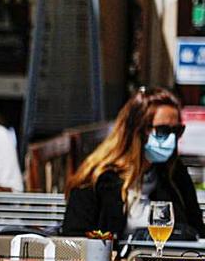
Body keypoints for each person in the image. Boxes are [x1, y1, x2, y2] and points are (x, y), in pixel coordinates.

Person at [62, 87, 205, 241]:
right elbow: (74, 241)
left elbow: (198, 231)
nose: (171, 138)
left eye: (177, 130)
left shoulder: (175, 175)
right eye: (163, 130)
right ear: (137, 129)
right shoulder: (96, 179)